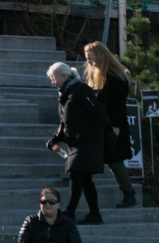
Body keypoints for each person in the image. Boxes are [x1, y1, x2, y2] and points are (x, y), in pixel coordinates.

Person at [47, 62, 105, 225]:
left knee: (75, 172)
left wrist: (109, 131)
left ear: (64, 76)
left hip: (87, 140)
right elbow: (64, 122)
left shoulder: (80, 90)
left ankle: (70, 212)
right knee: (85, 177)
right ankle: (95, 214)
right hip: (77, 141)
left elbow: (98, 110)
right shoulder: (65, 94)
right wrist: (56, 138)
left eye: (54, 78)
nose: (52, 82)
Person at [82, 41, 138, 207]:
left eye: (90, 58)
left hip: (112, 126)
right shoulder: (97, 76)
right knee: (103, 157)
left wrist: (115, 126)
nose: (88, 62)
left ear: (100, 56)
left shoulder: (116, 77)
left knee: (114, 159)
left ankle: (129, 193)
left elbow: (119, 104)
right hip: (100, 126)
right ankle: (77, 175)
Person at [18, 188, 82, 243]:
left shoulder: (69, 224)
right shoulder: (30, 221)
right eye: (44, 201)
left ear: (58, 204)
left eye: (52, 201)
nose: (47, 204)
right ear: (40, 204)